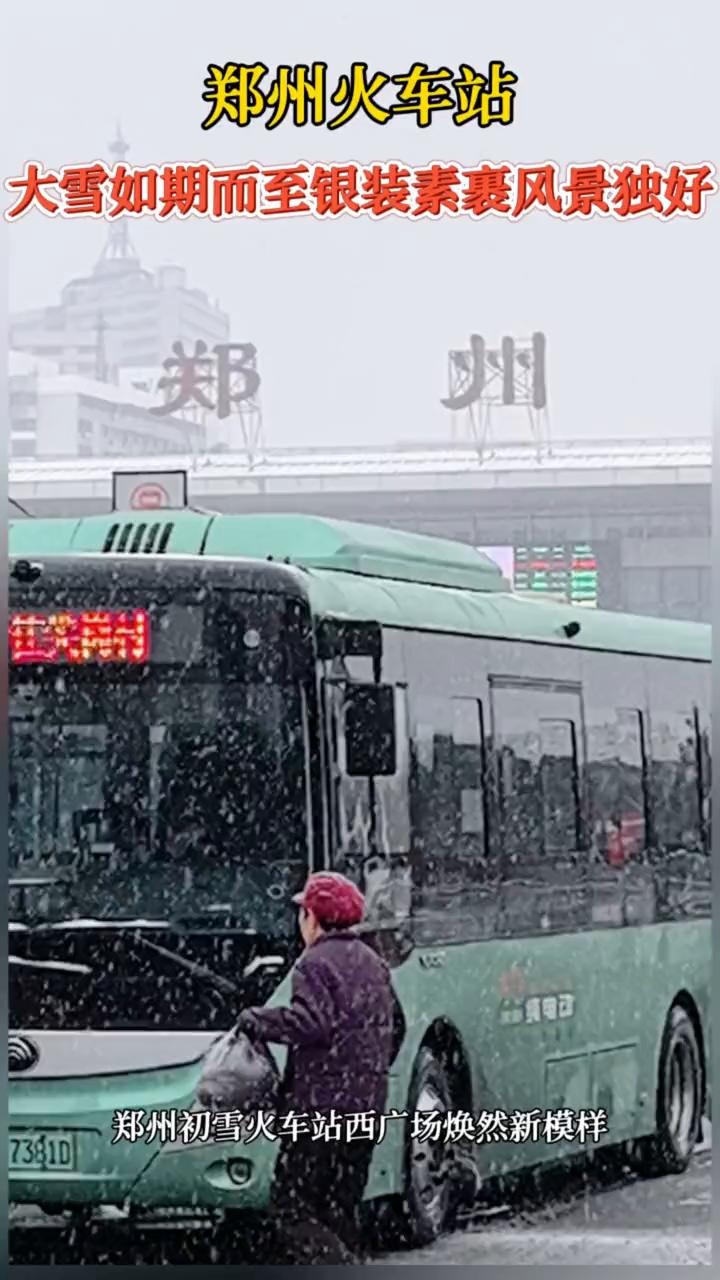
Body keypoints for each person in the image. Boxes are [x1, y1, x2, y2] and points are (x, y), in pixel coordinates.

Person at [236, 870, 406, 1265]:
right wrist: (367, 1073)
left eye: (303, 914)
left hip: (319, 1112)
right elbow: (396, 1027)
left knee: (291, 1207)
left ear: (313, 918)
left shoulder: (313, 964)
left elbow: (311, 1023)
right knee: (339, 1210)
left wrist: (258, 1020)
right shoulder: (373, 962)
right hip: (366, 1110)